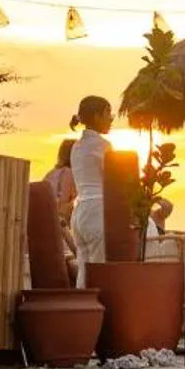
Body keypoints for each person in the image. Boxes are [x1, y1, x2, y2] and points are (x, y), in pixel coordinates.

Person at [68, 96, 113, 286]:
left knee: (84, 272)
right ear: (97, 116)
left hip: (80, 213)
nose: (111, 119)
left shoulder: (76, 147)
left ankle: (81, 311)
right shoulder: (102, 146)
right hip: (97, 211)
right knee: (99, 271)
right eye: (108, 114)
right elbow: (112, 180)